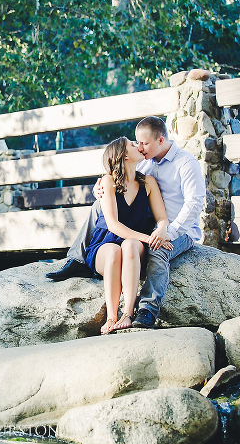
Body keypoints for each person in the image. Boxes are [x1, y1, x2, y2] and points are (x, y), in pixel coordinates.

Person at [46, 116, 206, 329]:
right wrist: (100, 190)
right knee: (98, 208)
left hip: (179, 229)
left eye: (143, 143)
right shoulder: (146, 161)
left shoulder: (185, 163)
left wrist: (167, 232)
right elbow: (116, 181)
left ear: (160, 140)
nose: (140, 147)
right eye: (136, 143)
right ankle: (77, 258)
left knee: (157, 250)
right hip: (145, 230)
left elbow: (194, 204)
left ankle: (147, 310)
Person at [87, 137, 172, 334]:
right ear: (124, 156)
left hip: (135, 244)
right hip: (105, 241)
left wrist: (161, 231)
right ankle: (111, 316)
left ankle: (127, 313)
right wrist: (150, 239)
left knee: (130, 245)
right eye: (133, 145)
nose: (139, 147)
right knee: (114, 251)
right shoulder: (108, 182)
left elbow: (162, 218)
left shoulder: (148, 182)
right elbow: (113, 225)